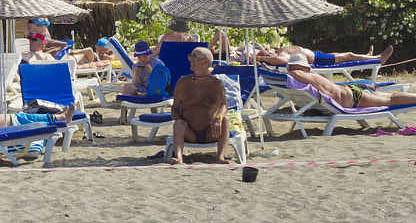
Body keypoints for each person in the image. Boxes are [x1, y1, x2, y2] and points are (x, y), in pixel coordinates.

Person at [286, 55, 416, 108]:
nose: (291, 68)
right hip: (351, 93)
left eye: (293, 66)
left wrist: (284, 72)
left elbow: (293, 73)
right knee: (390, 97)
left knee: (390, 100)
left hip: (353, 96)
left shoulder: (300, 74)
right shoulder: (310, 74)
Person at [169, 47, 228, 164]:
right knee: (178, 124)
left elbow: (224, 106)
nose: (191, 59)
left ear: (206, 61)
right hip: (189, 132)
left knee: (225, 119)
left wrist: (218, 118)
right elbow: (174, 108)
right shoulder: (183, 82)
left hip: (210, 132)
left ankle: (220, 157)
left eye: (195, 57)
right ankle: (179, 158)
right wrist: (179, 119)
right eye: (190, 56)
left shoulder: (216, 84)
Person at [249, 44, 394, 68]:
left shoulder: (278, 50)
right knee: (348, 55)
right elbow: (282, 60)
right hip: (318, 60)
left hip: (317, 54)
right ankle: (378, 58)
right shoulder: (280, 55)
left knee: (344, 54)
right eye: (265, 52)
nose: (267, 49)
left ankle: (367, 56)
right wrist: (260, 58)